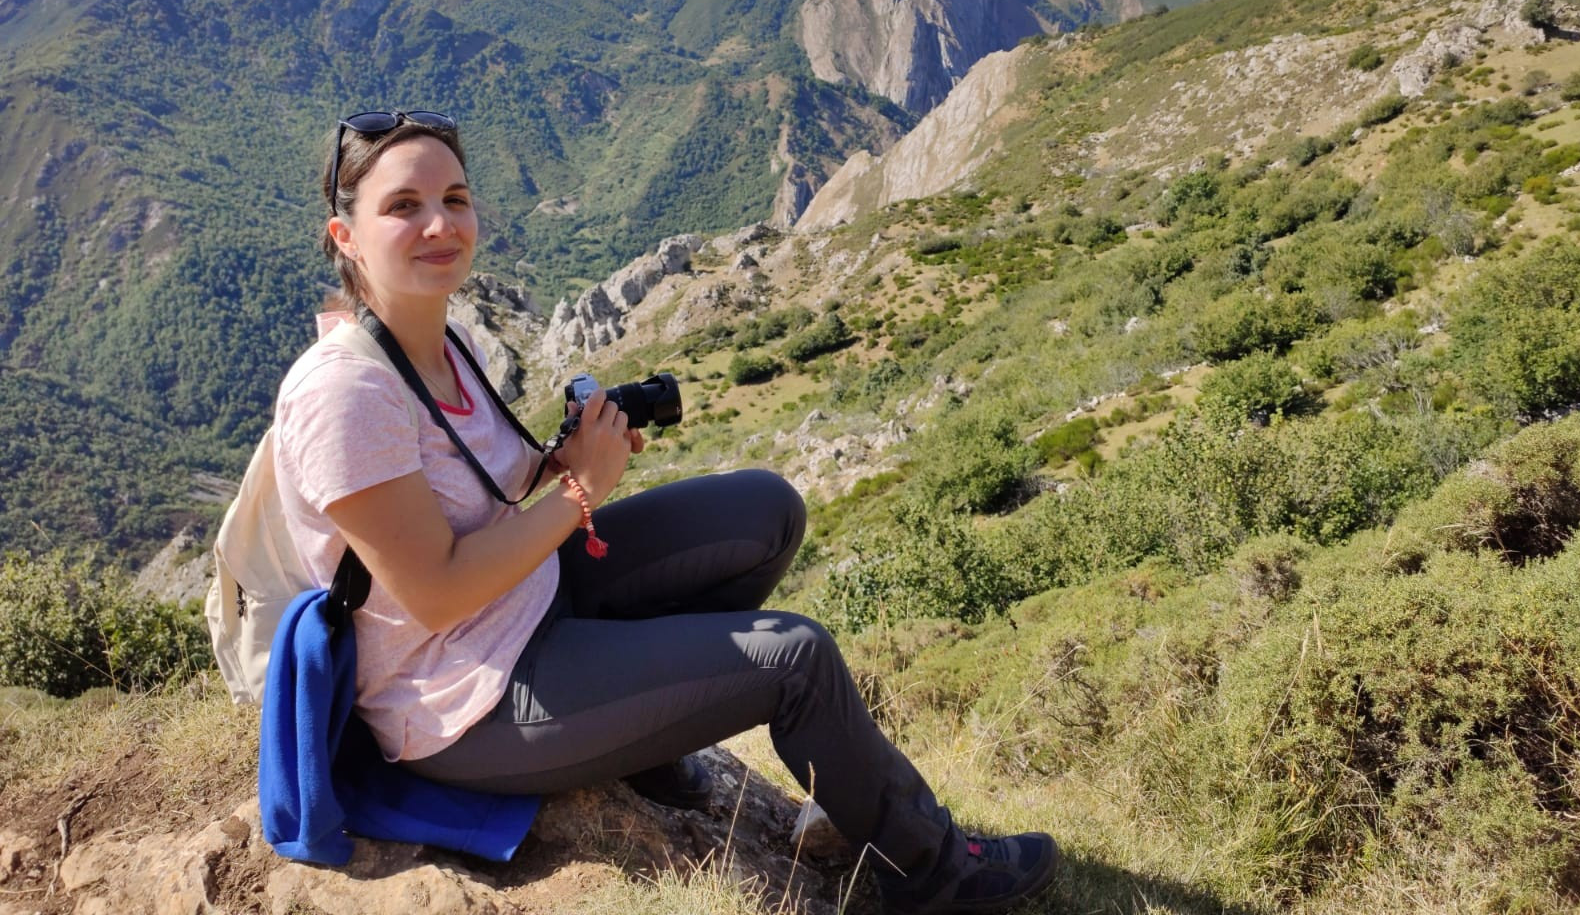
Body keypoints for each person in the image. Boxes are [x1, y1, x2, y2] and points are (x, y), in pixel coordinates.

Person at [271, 109, 1059, 913]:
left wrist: (565, 459)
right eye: (404, 206)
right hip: (467, 700)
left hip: (534, 600)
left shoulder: (439, 339)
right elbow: (435, 592)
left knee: (767, 511)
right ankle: (934, 872)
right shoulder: (347, 392)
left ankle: (644, 737)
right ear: (346, 234)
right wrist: (584, 490)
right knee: (795, 659)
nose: (441, 223)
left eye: (457, 198)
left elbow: (479, 494)